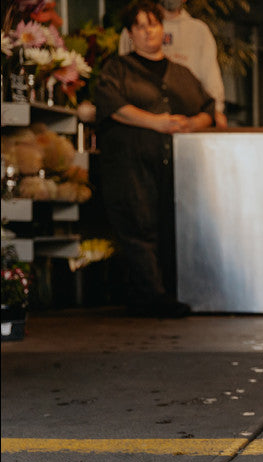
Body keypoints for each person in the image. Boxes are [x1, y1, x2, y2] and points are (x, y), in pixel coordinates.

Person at [94, 0, 214, 318]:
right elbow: (111, 104)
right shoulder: (117, 69)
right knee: (139, 225)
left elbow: (209, 109)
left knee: (171, 227)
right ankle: (152, 295)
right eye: (140, 27)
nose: (148, 32)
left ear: (163, 29)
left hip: (174, 168)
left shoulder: (182, 74)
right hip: (131, 166)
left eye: (153, 24)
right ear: (130, 34)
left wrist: (192, 123)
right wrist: (155, 122)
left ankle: (168, 293)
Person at [119, 0, 227, 128]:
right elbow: (124, 76)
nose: (148, 31)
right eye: (143, 27)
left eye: (154, 25)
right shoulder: (132, 29)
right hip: (142, 122)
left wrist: (215, 111)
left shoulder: (198, 30)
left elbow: (211, 77)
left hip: (189, 119)